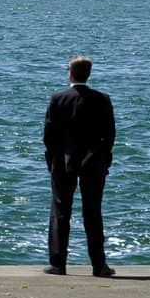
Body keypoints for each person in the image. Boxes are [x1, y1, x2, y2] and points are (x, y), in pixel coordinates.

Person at [41, 55, 116, 277]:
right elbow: (110, 135)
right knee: (93, 213)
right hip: (93, 163)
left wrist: (52, 160)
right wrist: (103, 159)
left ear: (70, 73)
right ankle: (99, 265)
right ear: (88, 74)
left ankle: (58, 264)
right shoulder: (102, 99)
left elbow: (49, 135)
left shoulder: (58, 98)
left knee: (60, 212)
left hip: (63, 164)